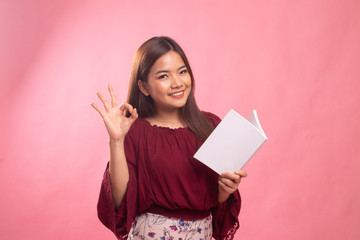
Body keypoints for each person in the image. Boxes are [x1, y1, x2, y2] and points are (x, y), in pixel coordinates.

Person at [90, 36, 248, 240]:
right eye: (164, 76)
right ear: (144, 87)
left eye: (182, 72)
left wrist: (227, 189)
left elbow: (217, 203)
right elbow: (119, 200)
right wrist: (116, 140)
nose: (177, 83)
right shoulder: (135, 130)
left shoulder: (212, 126)